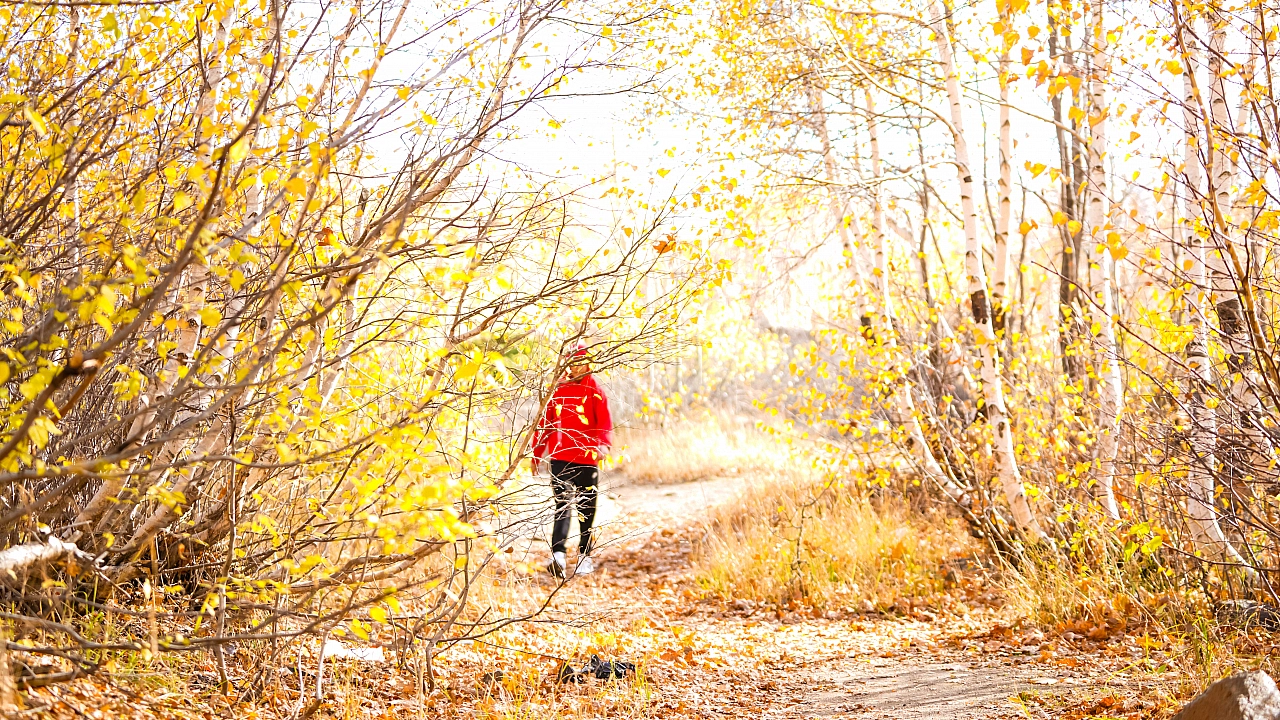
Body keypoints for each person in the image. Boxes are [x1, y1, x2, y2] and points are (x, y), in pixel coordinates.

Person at [531, 344, 613, 578]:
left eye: (580, 362)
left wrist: (603, 444)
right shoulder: (558, 389)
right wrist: (537, 454)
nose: (576, 368)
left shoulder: (595, 389)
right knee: (563, 506)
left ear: (588, 363)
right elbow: (545, 423)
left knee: (586, 509)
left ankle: (585, 557)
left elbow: (604, 422)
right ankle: (558, 556)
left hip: (587, 459)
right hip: (561, 458)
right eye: (572, 363)